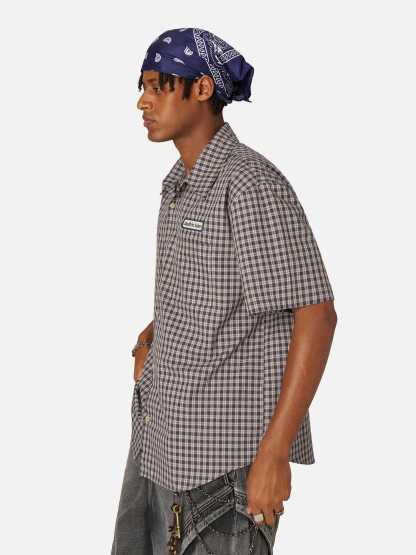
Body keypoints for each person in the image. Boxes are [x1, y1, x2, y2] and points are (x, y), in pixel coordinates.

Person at [111, 27, 337, 555]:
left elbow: (316, 313)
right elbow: (210, 291)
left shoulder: (249, 184)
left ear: (202, 88)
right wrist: (152, 338)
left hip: (224, 467)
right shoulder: (180, 184)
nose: (143, 101)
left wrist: (274, 454)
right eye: (143, 87)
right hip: (161, 441)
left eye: (158, 86)